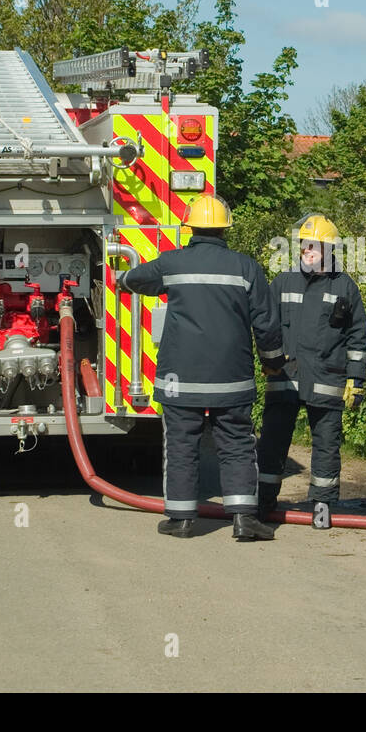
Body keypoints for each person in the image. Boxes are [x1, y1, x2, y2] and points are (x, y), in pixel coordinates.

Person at [118, 193, 284, 541]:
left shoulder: (171, 263)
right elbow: (266, 323)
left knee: (181, 444)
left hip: (181, 379)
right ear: (226, 229)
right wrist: (272, 364)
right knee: (238, 443)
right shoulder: (246, 267)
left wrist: (121, 279)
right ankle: (243, 519)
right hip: (232, 379)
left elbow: (134, 279)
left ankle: (180, 519)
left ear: (190, 226)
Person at [256, 214, 366, 522]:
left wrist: (355, 381)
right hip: (285, 380)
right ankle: (263, 502)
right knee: (272, 443)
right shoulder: (282, 282)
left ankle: (322, 506)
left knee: (327, 446)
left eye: (314, 247)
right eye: (304, 246)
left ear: (329, 251)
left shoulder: (345, 287)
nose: (307, 252)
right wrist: (268, 362)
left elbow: (358, 339)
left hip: (327, 380)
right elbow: (266, 327)